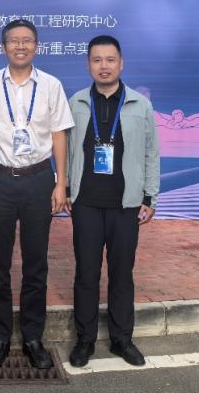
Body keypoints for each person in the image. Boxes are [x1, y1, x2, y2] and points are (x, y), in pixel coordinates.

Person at [0, 18, 74, 370]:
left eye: (27, 40)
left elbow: (59, 135)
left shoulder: (51, 85)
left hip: (38, 180)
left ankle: (32, 337)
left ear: (36, 46)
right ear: (3, 47)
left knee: (36, 262)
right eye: (14, 41)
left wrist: (60, 182)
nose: (20, 46)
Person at [65, 34, 159, 368]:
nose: (103, 66)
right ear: (88, 64)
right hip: (86, 203)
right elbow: (65, 149)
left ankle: (122, 340)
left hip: (126, 204)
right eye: (96, 60)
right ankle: (85, 341)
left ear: (121, 63)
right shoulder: (76, 102)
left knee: (122, 274)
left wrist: (150, 196)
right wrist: (65, 189)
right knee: (86, 274)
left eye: (110, 60)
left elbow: (151, 152)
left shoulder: (139, 104)